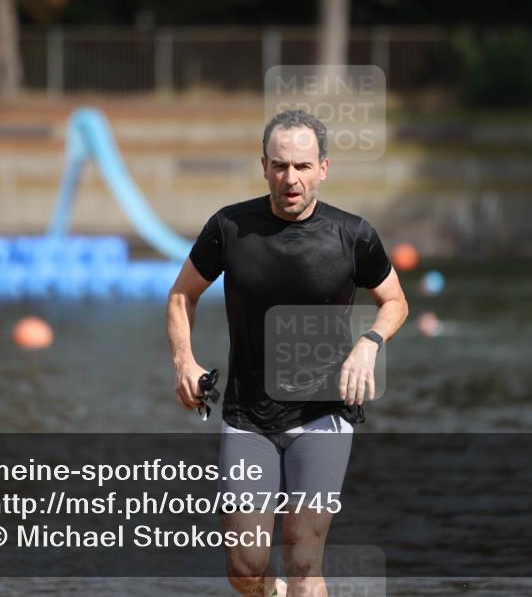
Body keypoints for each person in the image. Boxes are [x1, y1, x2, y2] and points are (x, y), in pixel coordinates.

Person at [166, 109, 409, 596]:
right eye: (280, 166)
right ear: (264, 166)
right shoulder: (230, 227)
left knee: (302, 559)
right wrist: (184, 361)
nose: (290, 178)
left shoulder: (353, 235)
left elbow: (396, 301)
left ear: (324, 167)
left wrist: (369, 342)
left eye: (301, 166)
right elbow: (180, 296)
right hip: (247, 416)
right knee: (245, 566)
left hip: (323, 415)